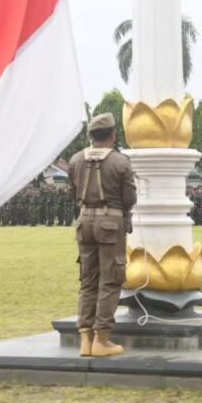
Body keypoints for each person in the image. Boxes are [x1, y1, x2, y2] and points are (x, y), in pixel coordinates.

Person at [66, 113, 137, 358]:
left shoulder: (75, 159)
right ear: (113, 135)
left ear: (91, 136)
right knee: (111, 279)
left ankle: (85, 339)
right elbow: (130, 199)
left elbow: (72, 192)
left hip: (84, 220)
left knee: (88, 280)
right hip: (110, 222)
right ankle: (102, 339)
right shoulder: (120, 161)